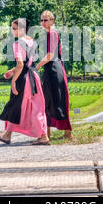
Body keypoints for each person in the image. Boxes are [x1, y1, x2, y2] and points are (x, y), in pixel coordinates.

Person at [0, 18, 50, 145]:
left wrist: (13, 80)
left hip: (24, 79)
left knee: (15, 105)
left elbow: (20, 64)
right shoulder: (32, 41)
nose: (12, 31)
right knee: (36, 107)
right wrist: (12, 71)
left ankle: (7, 135)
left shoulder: (17, 44)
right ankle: (43, 135)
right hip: (34, 77)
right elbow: (28, 63)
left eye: (14, 28)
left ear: (21, 29)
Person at [36, 10, 73, 140]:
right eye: (41, 20)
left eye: (45, 20)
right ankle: (47, 133)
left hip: (54, 68)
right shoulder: (47, 34)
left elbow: (51, 55)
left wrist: (37, 66)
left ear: (52, 21)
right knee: (47, 100)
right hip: (49, 68)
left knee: (57, 100)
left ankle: (67, 132)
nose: (43, 22)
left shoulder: (52, 33)